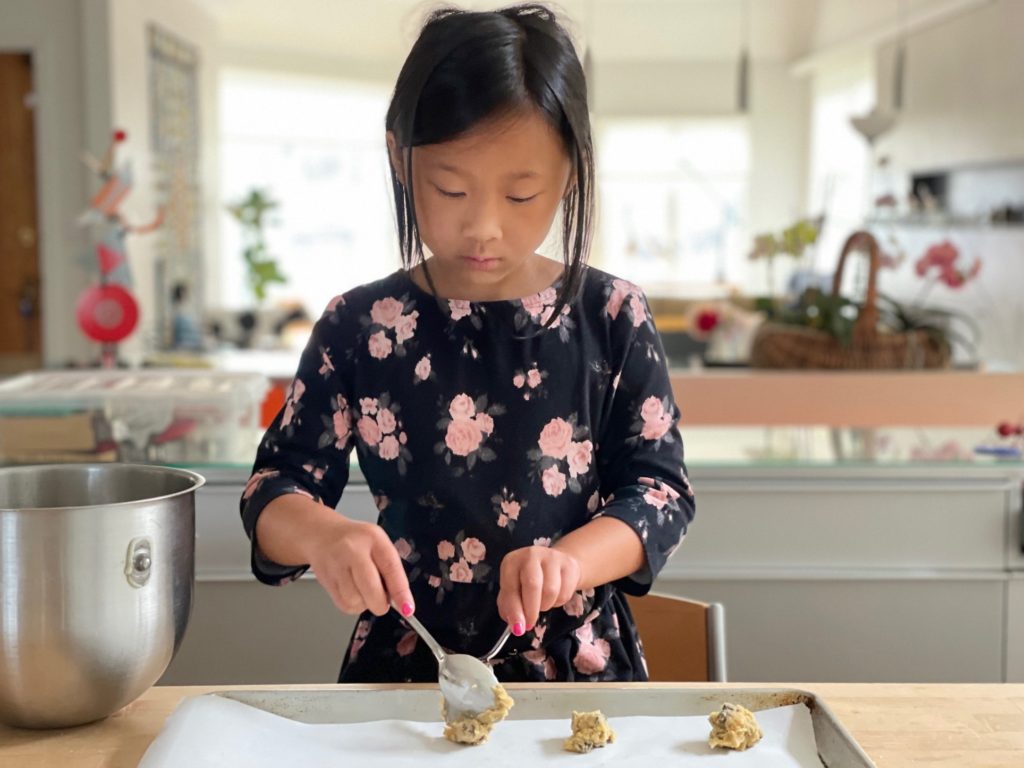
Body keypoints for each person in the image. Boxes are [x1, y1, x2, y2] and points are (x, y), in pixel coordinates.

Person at [240, 3, 695, 683]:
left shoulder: (611, 315)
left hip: (575, 673)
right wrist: (324, 535)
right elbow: (275, 487)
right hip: (404, 674)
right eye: (450, 188)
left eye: (521, 195)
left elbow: (659, 491)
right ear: (400, 158)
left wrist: (570, 560)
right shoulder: (359, 327)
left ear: (570, 171)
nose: (483, 227)